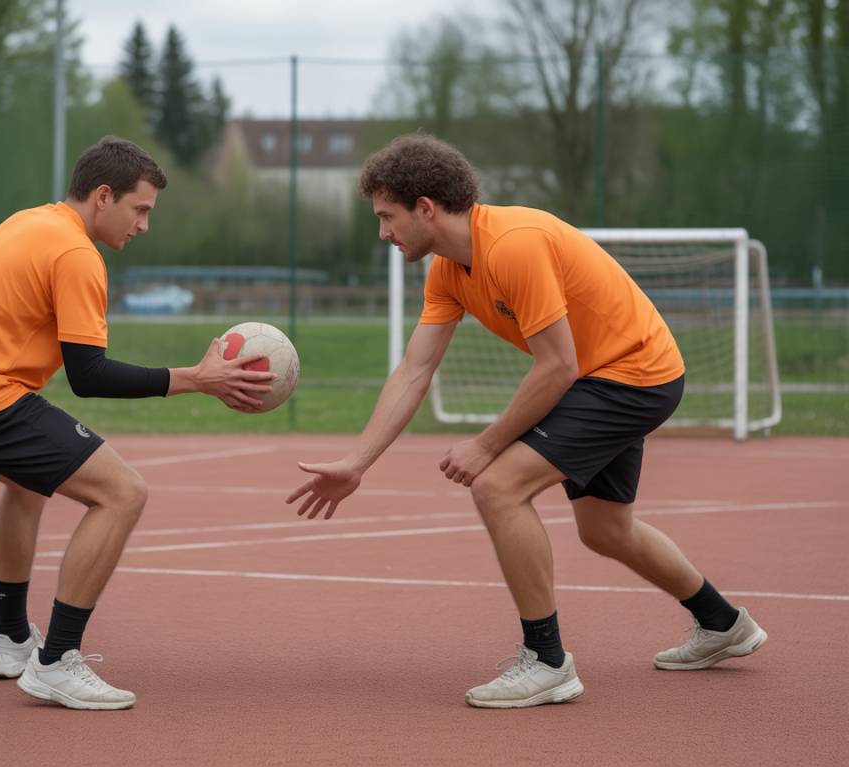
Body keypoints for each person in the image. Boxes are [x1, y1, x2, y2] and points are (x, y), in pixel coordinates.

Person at [286, 134, 767, 709]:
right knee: (606, 530)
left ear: (426, 209)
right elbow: (415, 370)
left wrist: (487, 446)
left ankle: (547, 661)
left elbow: (558, 365)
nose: (383, 232)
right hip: (605, 374)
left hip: (632, 374)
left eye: (387, 217)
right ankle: (723, 624)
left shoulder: (514, 245)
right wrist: (355, 463)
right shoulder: (447, 269)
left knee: (498, 485)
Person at [0, 136, 274, 711]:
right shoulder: (77, 254)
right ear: (104, 196)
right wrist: (196, 379)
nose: (144, 225)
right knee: (123, 493)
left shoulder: (28, 222)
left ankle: (11, 640)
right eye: (140, 209)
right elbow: (90, 374)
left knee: (27, 486)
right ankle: (57, 661)